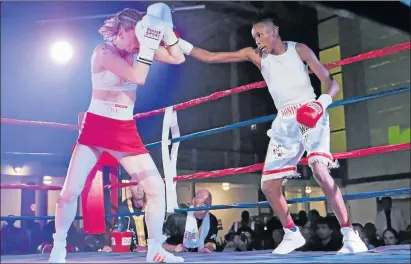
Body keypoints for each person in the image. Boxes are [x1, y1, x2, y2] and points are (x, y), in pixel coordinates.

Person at [176, 18, 367, 255]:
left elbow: (331, 83)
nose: (257, 40)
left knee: (319, 170)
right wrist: (176, 41)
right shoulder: (256, 55)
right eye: (254, 36)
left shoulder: (300, 49)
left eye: (260, 34)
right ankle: (291, 233)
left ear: (274, 31)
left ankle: (350, 235)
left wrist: (321, 104)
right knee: (268, 186)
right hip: (285, 122)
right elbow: (210, 56)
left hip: (311, 113)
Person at [49, 3, 185, 263]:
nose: (137, 46)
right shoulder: (103, 52)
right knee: (69, 192)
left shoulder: (138, 46)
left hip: (124, 127)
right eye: (135, 40)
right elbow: (138, 76)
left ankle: (155, 248)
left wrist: (166, 33)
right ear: (122, 31)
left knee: (156, 188)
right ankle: (59, 246)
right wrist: (147, 46)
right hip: (97, 126)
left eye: (141, 42)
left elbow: (178, 58)